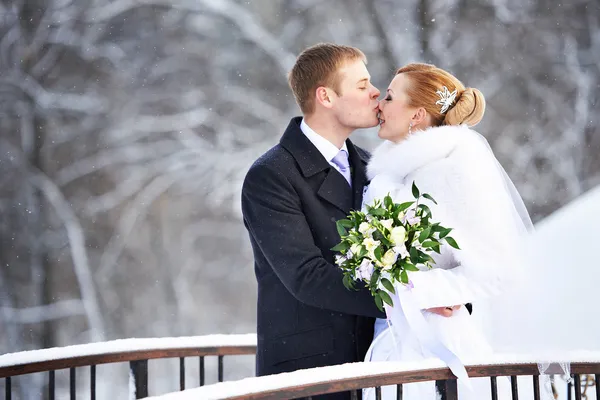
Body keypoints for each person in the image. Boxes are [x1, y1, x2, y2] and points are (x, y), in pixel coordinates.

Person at [361, 63, 534, 399]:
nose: (379, 105)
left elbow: (498, 271)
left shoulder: (452, 171)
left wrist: (421, 288)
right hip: (392, 343)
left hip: (444, 348)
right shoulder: (391, 177)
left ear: (418, 115)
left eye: (390, 97)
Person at [241, 43, 385, 399]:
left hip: (375, 366)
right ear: (326, 96)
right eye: (362, 84)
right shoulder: (271, 175)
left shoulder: (372, 167)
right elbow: (307, 277)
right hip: (306, 375)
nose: (375, 92)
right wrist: (409, 298)